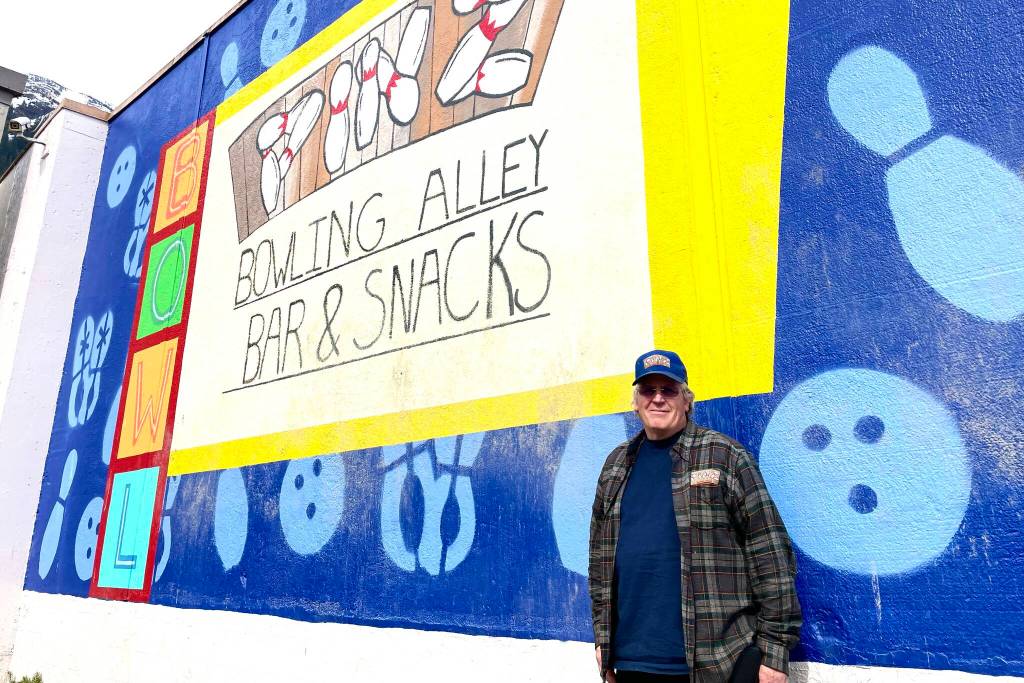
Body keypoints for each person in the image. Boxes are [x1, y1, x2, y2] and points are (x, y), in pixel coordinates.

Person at [588, 350, 801, 683]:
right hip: (633, 662)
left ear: (686, 400)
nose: (657, 399)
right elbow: (599, 563)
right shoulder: (616, 465)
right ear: (635, 402)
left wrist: (774, 653)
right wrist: (604, 641)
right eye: (648, 390)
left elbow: (770, 553)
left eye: (668, 390)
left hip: (718, 661)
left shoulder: (724, 456)